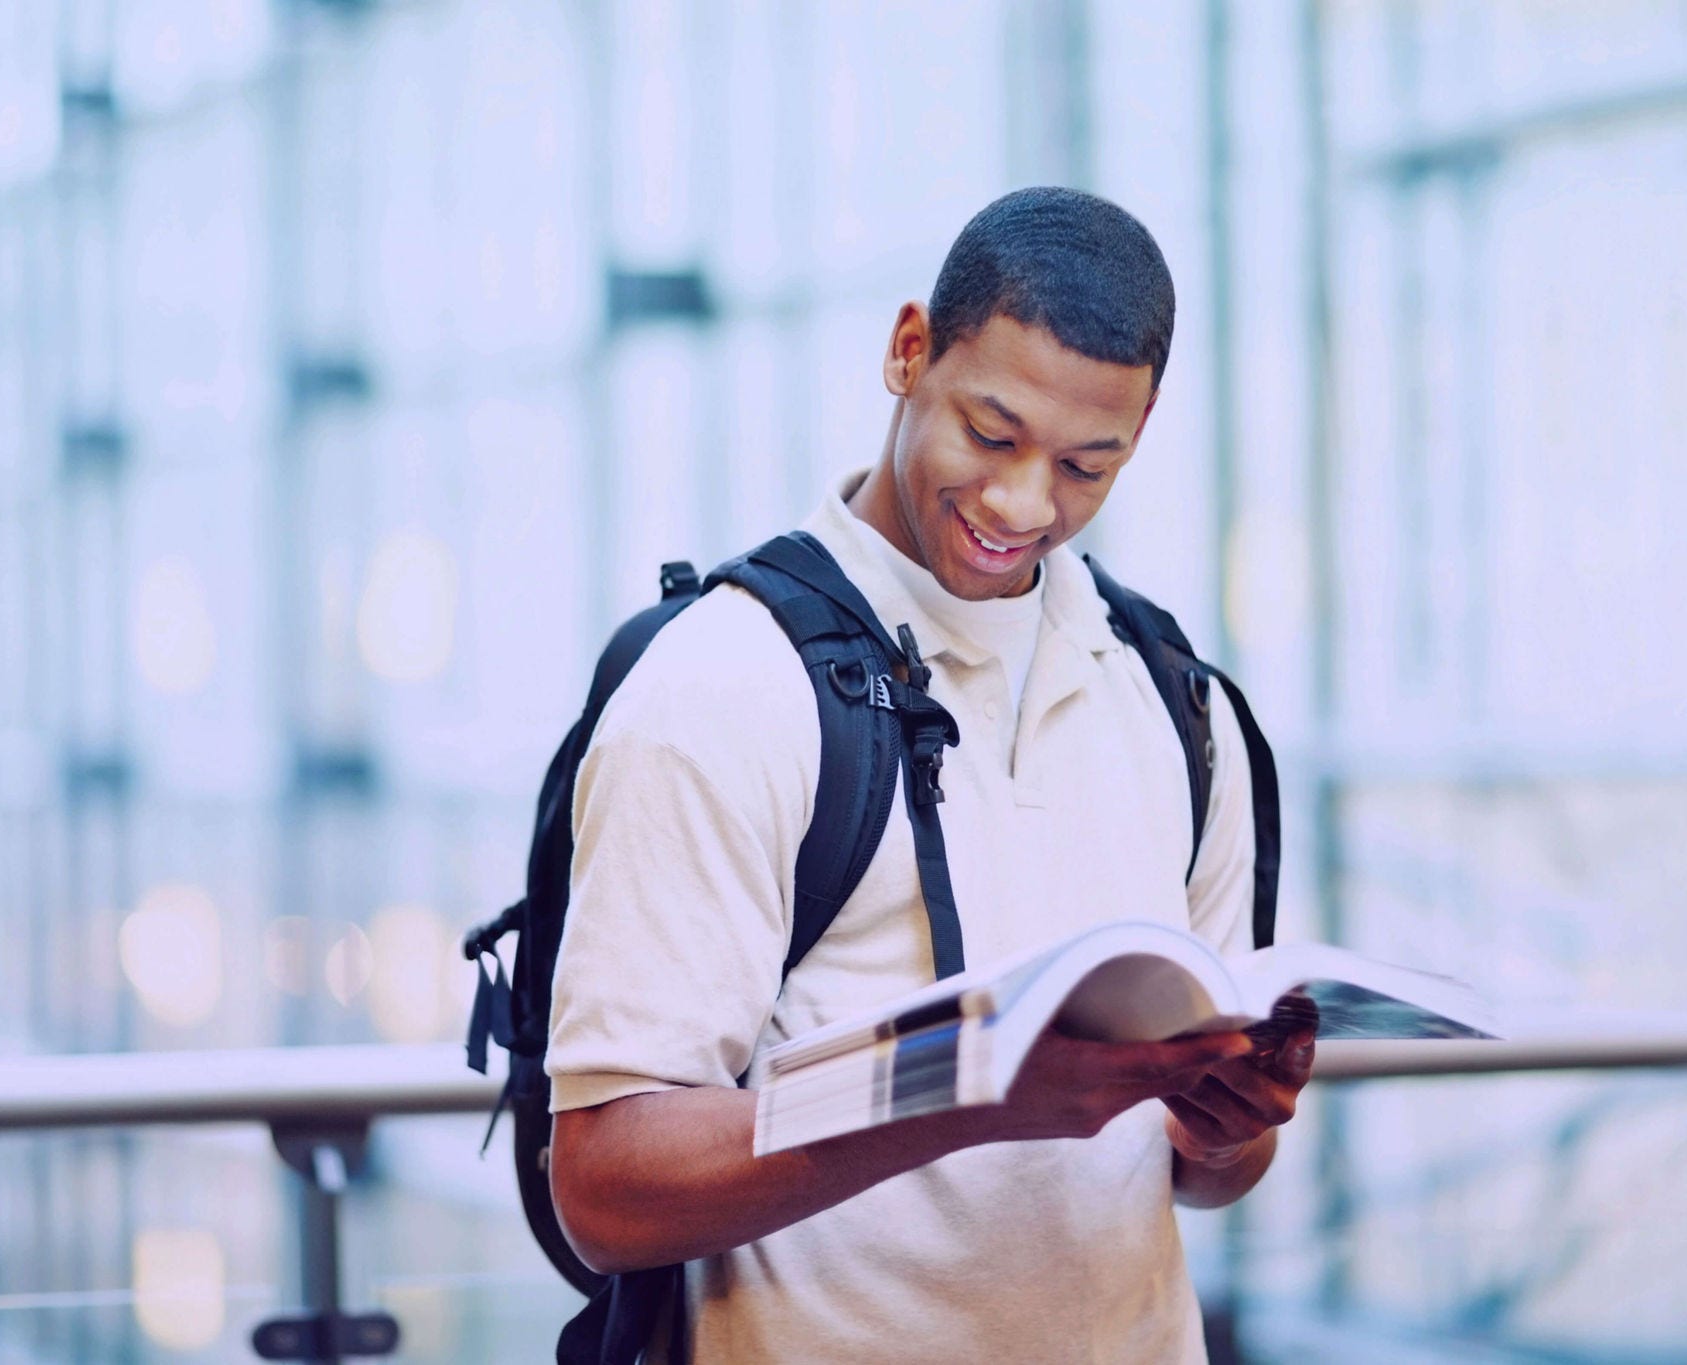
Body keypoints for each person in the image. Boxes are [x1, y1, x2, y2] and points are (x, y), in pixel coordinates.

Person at [544, 187, 1317, 1364]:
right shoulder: (722, 685)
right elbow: (604, 1189)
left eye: (1083, 466)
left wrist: (1225, 1126)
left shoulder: (1173, 695)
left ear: (1140, 432)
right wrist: (965, 1095)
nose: (1020, 504)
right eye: (990, 435)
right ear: (908, 351)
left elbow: (1201, 1175)